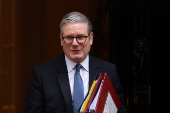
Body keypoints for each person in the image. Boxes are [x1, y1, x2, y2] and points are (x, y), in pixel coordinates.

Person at [25, 11, 127, 113]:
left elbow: (119, 110)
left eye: (80, 37)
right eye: (69, 37)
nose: (75, 43)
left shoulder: (108, 70)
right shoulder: (42, 74)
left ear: (91, 38)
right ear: (61, 40)